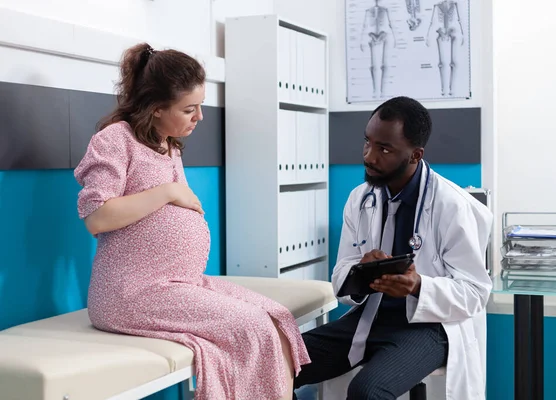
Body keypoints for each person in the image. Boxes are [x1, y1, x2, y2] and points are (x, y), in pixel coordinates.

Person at [74, 43, 310, 400]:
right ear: (155, 109)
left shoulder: (167, 143)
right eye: (189, 109)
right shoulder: (114, 140)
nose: (199, 116)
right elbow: (97, 217)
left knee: (275, 317)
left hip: (181, 283)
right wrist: (168, 192)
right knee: (251, 326)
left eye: (200, 105)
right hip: (132, 292)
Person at [293, 96, 492, 400]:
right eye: (367, 142)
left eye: (384, 149)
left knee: (367, 392)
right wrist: (361, 273)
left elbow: (476, 292)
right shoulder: (360, 199)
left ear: (415, 155)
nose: (369, 156)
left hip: (428, 328)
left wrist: (418, 286)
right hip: (369, 319)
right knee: (274, 363)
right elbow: (340, 278)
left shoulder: (453, 207)